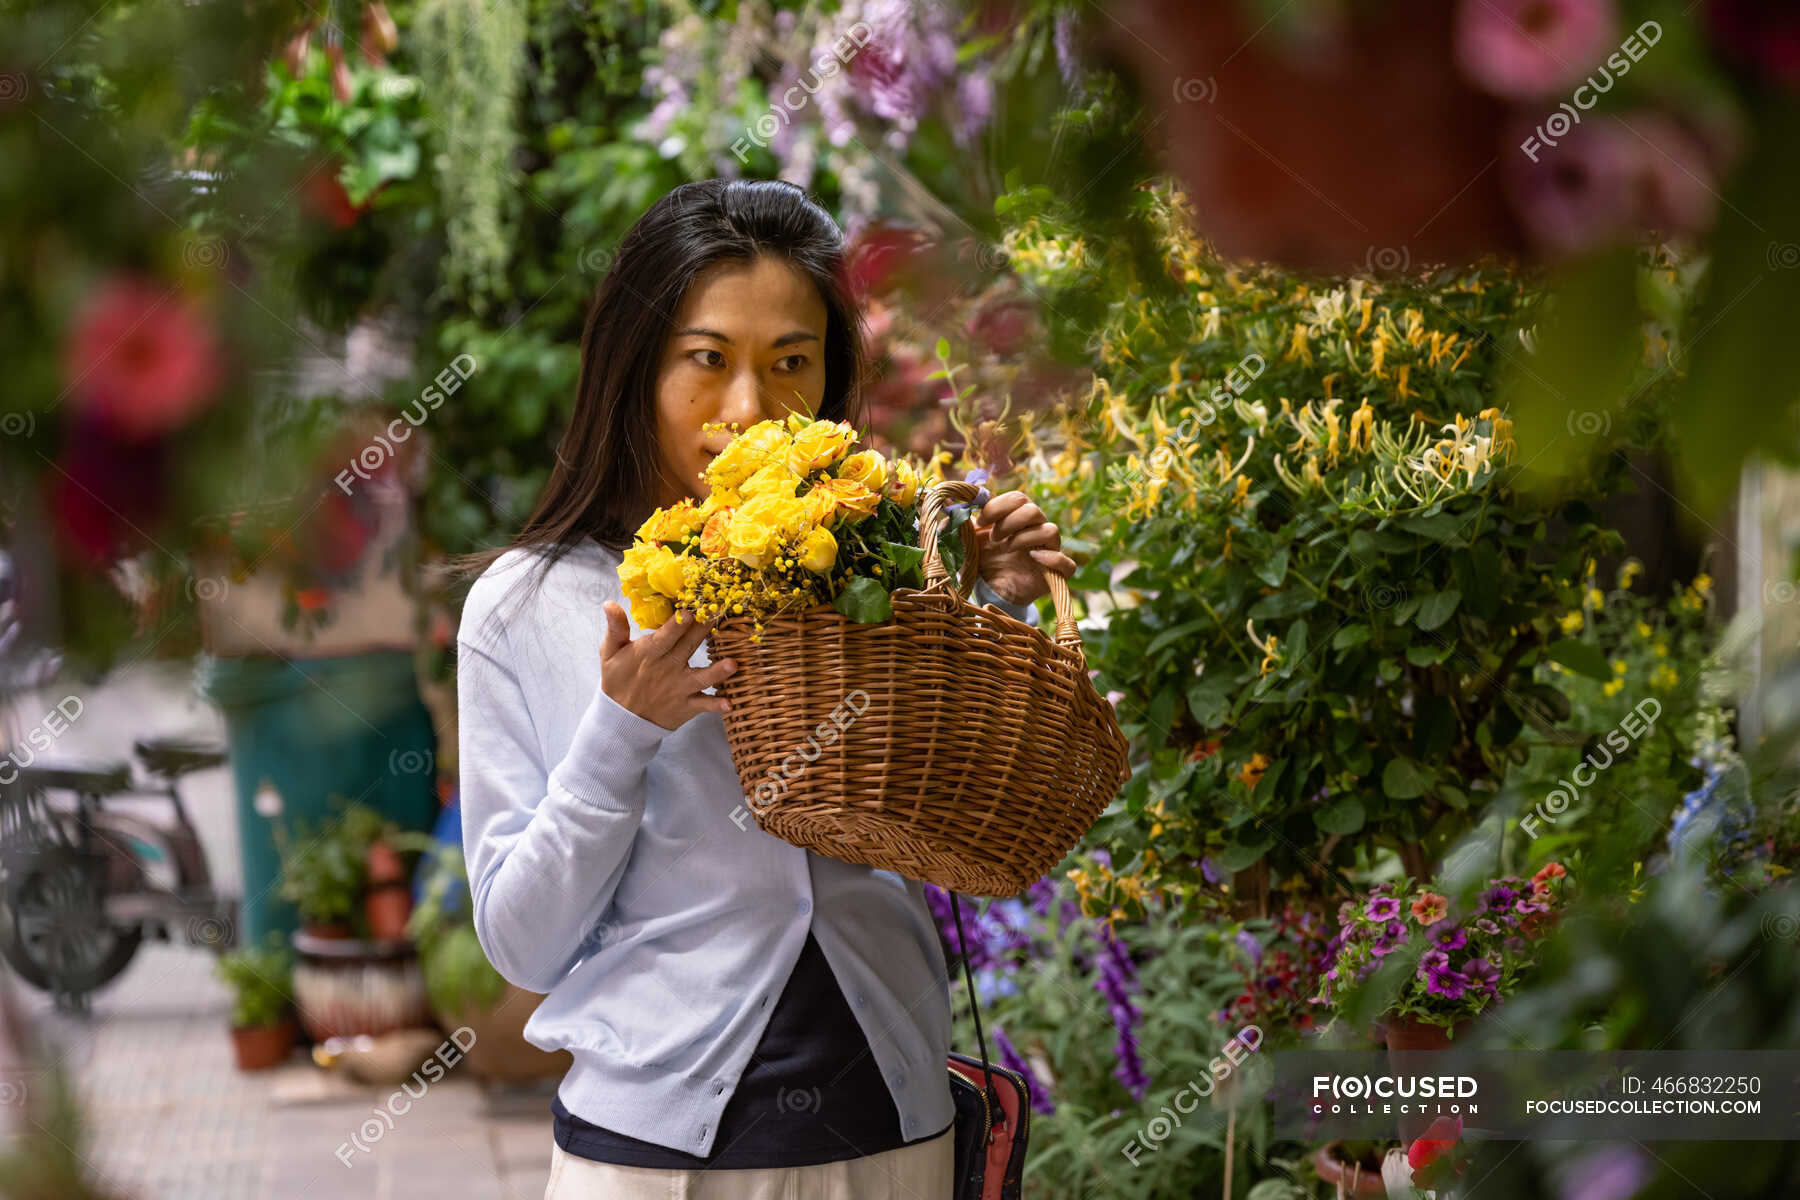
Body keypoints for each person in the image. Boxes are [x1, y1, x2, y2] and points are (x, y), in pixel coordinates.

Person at [455, 178, 1073, 1200]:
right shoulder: (528, 608)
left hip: (894, 1133)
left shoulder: (876, 567)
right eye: (707, 361)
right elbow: (522, 943)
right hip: (652, 1165)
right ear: (634, 368)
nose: (748, 411)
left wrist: (989, 616)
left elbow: (966, 820)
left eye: (791, 362)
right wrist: (621, 731)